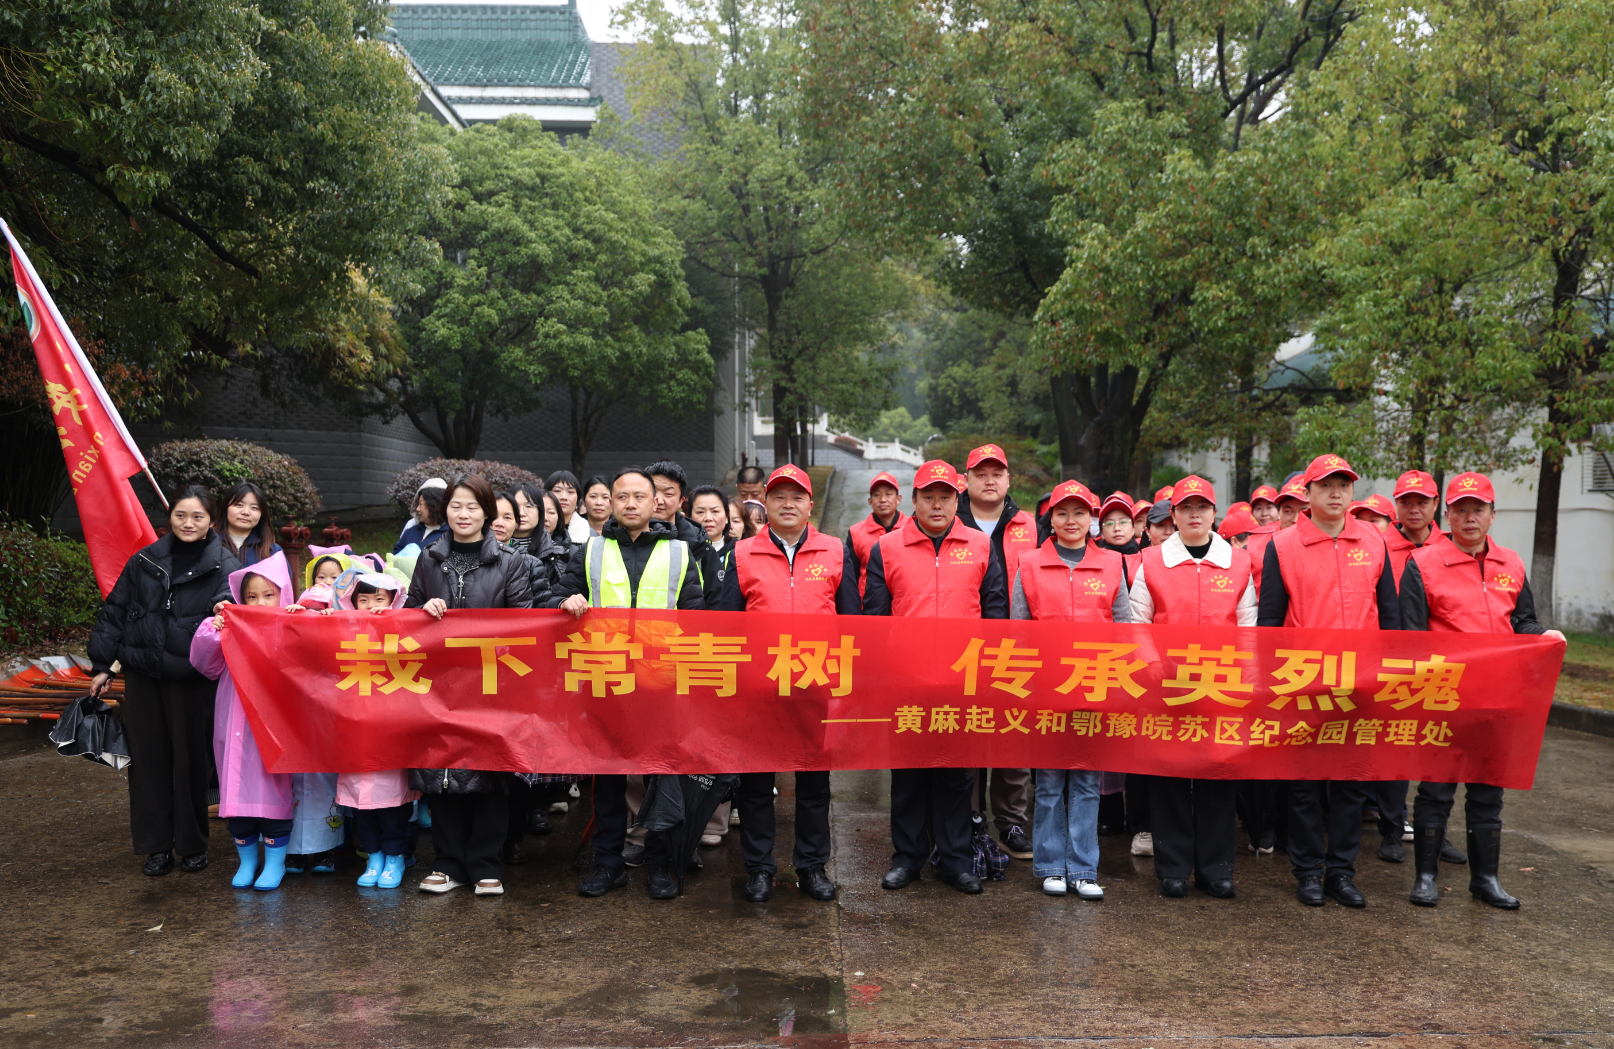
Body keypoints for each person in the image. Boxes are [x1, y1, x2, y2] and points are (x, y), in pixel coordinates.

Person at [1398, 472, 1564, 910]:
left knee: (1489, 790)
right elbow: (1410, 637)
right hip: (1444, 697)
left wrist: (1544, 635)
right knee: (1436, 790)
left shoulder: (1512, 564)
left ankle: (1485, 879)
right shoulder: (1423, 564)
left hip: (1498, 698)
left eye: (1478, 509)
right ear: (1447, 515)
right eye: (1460, 510)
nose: (1469, 518)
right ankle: (1426, 877)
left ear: (1493, 515)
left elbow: (1522, 622)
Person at [549, 467, 705, 899]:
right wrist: (565, 599)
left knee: (660, 780)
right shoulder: (590, 551)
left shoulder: (679, 552)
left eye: (640, 496)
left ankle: (658, 863)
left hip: (661, 685)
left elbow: (697, 617)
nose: (630, 503)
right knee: (608, 781)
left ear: (656, 502)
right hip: (607, 682)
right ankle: (609, 864)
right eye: (622, 496)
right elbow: (553, 595)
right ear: (608, 503)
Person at [1258, 454, 1400, 908]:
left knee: (1351, 783)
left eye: (1344, 485)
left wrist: (1390, 673)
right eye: (1326, 485)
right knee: (1304, 783)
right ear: (1308, 493)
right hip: (1304, 681)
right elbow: (1270, 620)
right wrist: (1270, 682)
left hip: (1360, 681)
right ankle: (1307, 872)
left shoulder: (1374, 541)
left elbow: (1390, 615)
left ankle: (1341, 872)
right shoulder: (1283, 545)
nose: (1336, 493)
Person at [863, 460, 1007, 895]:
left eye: (946, 497)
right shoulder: (887, 548)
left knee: (956, 776)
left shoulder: (980, 545)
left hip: (962, 682)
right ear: (914, 500)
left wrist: (990, 674)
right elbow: (874, 619)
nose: (938, 504)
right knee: (908, 776)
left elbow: (995, 612)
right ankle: (907, 859)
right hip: (906, 682)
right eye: (929, 497)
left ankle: (956, 860)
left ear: (956, 500)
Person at [718, 465, 860, 903]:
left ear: (810, 505)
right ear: (764, 503)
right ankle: (760, 869)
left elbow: (853, 622)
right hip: (759, 689)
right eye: (779, 496)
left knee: (814, 785)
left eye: (797, 497)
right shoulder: (743, 553)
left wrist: (847, 684)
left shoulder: (834, 551)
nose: (788, 504)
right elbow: (727, 624)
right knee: (756, 786)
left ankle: (812, 867)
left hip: (816, 686)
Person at [88, 485, 241, 876]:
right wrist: (103, 664)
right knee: (147, 760)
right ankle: (156, 846)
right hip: (143, 673)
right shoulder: (145, 559)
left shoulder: (224, 565)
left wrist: (225, 610)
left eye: (197, 517)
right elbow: (116, 610)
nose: (188, 523)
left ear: (212, 522)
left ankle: (192, 845)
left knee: (192, 761)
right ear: (169, 517)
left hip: (191, 675)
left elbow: (233, 609)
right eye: (180, 515)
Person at [1129, 476, 1257, 900]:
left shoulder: (1238, 563)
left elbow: (1249, 625)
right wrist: (1152, 666)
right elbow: (1137, 623)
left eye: (1202, 507)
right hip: (1167, 686)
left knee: (1218, 774)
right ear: (1174, 514)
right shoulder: (1151, 562)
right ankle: (1173, 867)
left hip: (1223, 686)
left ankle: (1216, 870)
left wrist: (1247, 677)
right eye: (1186, 508)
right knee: (1169, 776)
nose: (1195, 514)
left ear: (1214, 513)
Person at [406, 474, 533, 896]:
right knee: (442, 774)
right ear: (445, 511)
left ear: (487, 512)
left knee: (489, 776)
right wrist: (422, 611)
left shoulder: (510, 562)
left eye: (472, 506)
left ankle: (485, 865)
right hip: (439, 685)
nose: (463, 514)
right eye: (456, 506)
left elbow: (525, 625)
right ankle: (447, 864)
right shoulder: (429, 558)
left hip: (492, 685)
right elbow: (407, 616)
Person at [1013, 480, 1127, 901]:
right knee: (1047, 782)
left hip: (1094, 686)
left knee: (1086, 782)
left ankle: (1083, 868)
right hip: (1046, 689)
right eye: (1062, 513)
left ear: (1091, 519)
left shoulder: (1112, 563)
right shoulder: (1029, 563)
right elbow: (1018, 631)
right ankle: (1049, 866)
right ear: (1051, 519)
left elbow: (1125, 626)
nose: (1071, 520)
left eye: (1079, 512)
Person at [191, 552, 296, 890]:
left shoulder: (294, 626)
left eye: (269, 595)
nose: (260, 603)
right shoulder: (231, 628)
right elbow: (205, 665)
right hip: (234, 723)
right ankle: (247, 861)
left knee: (273, 795)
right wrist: (214, 629)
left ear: (283, 595)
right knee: (236, 797)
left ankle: (275, 862)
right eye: (251, 596)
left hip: (275, 729)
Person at [954, 444, 1037, 860]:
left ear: (1008, 479)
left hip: (1017, 646)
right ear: (966, 479)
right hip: (964, 647)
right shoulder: (951, 519)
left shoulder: (1030, 525)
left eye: (997, 473)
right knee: (968, 731)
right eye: (980, 473)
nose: (989, 481)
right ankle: (968, 818)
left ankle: (1012, 822)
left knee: (1011, 734)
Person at [328, 572, 421, 890]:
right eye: (363, 600)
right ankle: (374, 857)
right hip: (355, 733)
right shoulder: (343, 631)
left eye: (379, 598)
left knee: (393, 806)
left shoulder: (406, 631)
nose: (370, 606)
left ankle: (395, 857)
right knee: (361, 808)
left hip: (391, 734)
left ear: (394, 600)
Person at [647, 460, 724, 609]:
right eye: (653, 492)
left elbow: (715, 605)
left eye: (668, 494)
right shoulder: (622, 536)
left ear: (681, 501)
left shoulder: (700, 546)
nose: (659, 500)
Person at [844, 471, 905, 597]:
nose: (883, 500)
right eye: (877, 495)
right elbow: (850, 578)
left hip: (904, 602)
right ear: (870, 501)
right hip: (869, 604)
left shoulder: (912, 528)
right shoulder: (856, 533)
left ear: (898, 499)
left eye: (888, 494)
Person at [1386, 469, 1447, 584]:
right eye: (1406, 503)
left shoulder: (1449, 544)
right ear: (1397, 503)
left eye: (1421, 503)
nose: (1414, 510)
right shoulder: (1381, 547)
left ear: (1435, 504)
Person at [216, 481, 281, 567]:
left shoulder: (273, 551)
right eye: (239, 505)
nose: (246, 512)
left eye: (254, 508)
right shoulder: (208, 544)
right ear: (226, 508)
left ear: (262, 514)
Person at [689, 484, 736, 583]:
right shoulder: (683, 551)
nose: (708, 518)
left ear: (727, 516)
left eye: (715, 511)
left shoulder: (738, 552)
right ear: (690, 517)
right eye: (700, 512)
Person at [393, 477, 448, 554]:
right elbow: (395, 554)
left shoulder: (450, 536)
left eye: (421, 504)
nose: (417, 509)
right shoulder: (411, 530)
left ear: (434, 505)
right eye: (417, 504)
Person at [546, 469, 593, 544]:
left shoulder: (590, 536)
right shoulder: (532, 530)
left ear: (577, 500)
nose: (564, 497)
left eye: (570, 492)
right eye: (557, 491)